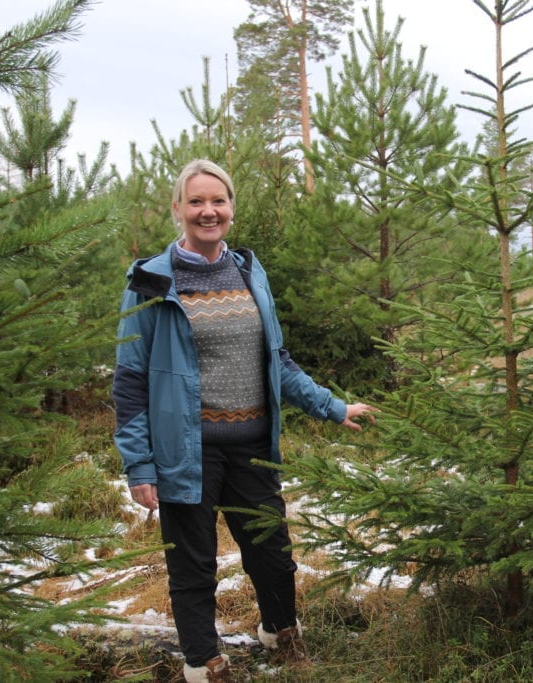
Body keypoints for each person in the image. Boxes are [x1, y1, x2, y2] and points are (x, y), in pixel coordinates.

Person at [112, 159, 376, 681]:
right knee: (195, 565)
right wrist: (139, 465)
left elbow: (276, 360)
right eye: (196, 202)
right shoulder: (149, 282)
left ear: (231, 208)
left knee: (272, 554)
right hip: (187, 451)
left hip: (253, 444)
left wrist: (332, 406)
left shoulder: (250, 271)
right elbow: (130, 378)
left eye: (218, 201)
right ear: (178, 209)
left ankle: (279, 630)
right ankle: (202, 661)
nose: (208, 211)